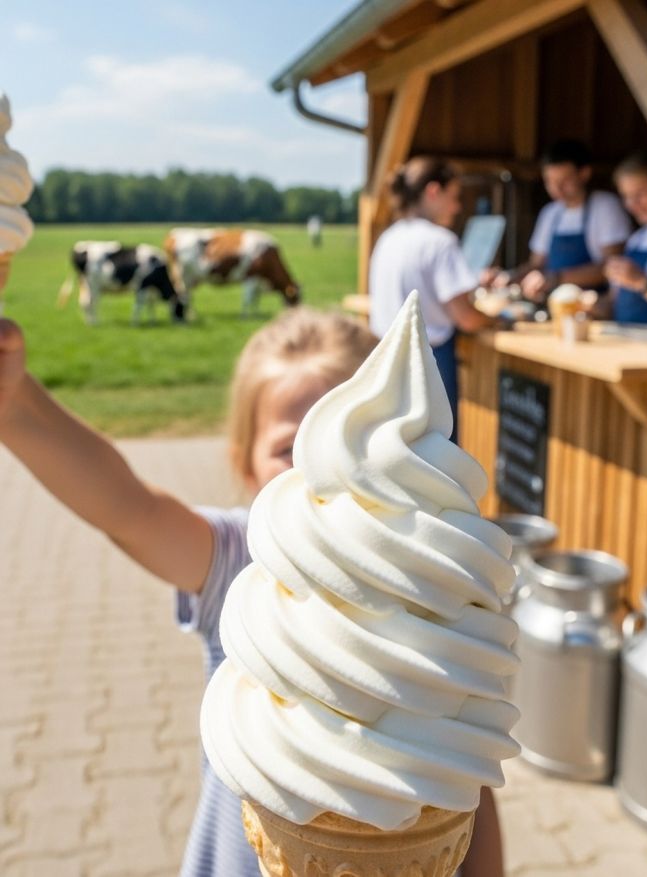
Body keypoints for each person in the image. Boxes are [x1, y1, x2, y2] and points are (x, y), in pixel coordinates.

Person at [0, 307, 507, 877]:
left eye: (354, 463)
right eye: (293, 451)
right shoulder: (241, 562)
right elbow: (128, 510)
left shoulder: (432, 591)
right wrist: (15, 404)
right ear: (243, 464)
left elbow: (467, 772)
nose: (323, 483)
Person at [368, 155, 496, 444]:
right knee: (436, 455)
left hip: (387, 358)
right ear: (433, 191)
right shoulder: (440, 241)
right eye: (454, 196)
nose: (458, 206)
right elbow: (466, 317)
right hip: (429, 365)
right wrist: (497, 319)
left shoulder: (389, 237)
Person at [485, 139, 631, 303]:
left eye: (565, 181)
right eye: (550, 181)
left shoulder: (605, 206)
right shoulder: (550, 213)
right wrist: (510, 277)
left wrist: (557, 278)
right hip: (553, 303)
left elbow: (611, 267)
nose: (557, 188)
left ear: (584, 173)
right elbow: (537, 264)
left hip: (593, 304)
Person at [604, 148, 647, 325]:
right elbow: (614, 302)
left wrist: (641, 281)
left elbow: (638, 282)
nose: (632, 205)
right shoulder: (638, 239)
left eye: (640, 195)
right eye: (626, 196)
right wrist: (589, 306)